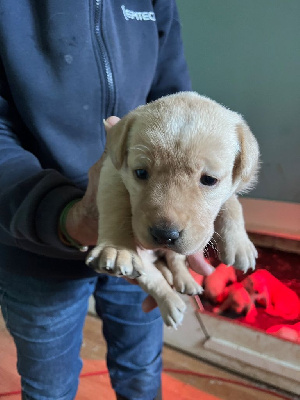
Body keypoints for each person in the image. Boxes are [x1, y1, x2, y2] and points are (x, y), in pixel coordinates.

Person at [0, 1, 213, 399]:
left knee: (141, 369)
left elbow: (173, 99)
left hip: (141, 233)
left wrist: (194, 204)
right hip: (33, 243)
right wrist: (64, 215)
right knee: (49, 387)